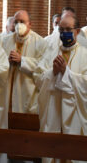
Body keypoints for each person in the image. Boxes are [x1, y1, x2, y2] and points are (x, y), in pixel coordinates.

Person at [34, 15, 87, 162]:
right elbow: (37, 78)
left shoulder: (85, 54)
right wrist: (53, 72)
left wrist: (67, 73)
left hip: (75, 114)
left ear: (76, 31)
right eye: (61, 30)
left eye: (68, 29)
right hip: (53, 112)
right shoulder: (51, 53)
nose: (64, 33)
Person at [1, 10, 46, 114]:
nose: (18, 25)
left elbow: (43, 66)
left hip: (28, 91)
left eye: (22, 21)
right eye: (16, 22)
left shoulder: (40, 42)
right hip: (8, 89)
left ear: (30, 24)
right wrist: (6, 61)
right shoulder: (5, 40)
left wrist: (23, 60)